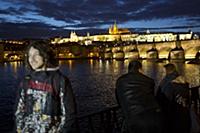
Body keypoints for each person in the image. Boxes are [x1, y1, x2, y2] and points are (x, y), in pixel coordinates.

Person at [15, 41, 78, 133]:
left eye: (36, 55)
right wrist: (20, 129)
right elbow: (19, 110)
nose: (31, 59)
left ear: (45, 56)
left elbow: (69, 114)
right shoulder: (26, 80)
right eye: (29, 56)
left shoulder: (60, 80)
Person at [115, 60, 164, 133]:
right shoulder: (149, 81)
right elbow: (151, 97)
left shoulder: (120, 81)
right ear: (140, 69)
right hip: (153, 117)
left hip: (133, 119)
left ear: (129, 69)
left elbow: (119, 99)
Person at [156, 63, 190, 133]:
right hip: (185, 118)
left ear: (167, 71)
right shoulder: (183, 81)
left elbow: (161, 99)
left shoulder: (166, 82)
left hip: (172, 118)